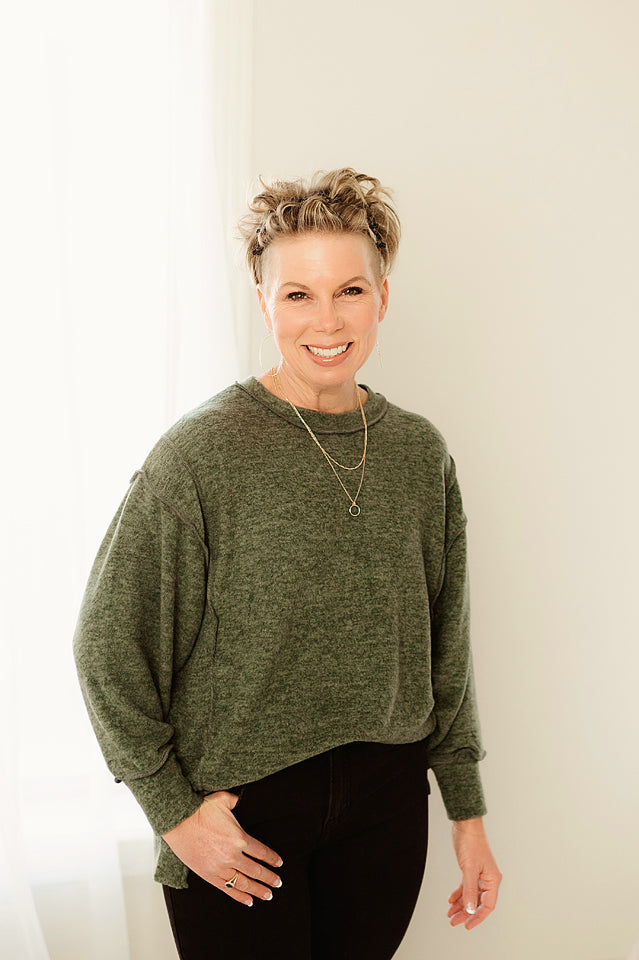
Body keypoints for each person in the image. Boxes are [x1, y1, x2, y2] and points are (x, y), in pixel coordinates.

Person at [73, 167, 502, 959]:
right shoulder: (201, 454)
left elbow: (446, 647)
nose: (326, 319)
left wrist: (466, 813)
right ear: (264, 302)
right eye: (298, 294)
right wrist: (173, 814)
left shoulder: (418, 453)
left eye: (350, 290)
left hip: (385, 807)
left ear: (382, 296)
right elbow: (107, 645)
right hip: (243, 817)